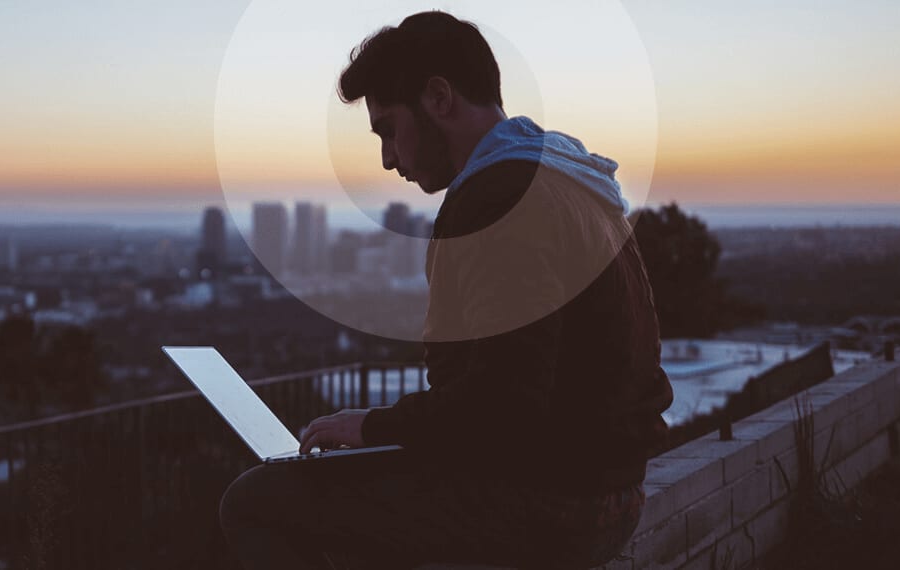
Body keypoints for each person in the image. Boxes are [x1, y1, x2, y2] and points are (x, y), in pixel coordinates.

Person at [218, 10, 675, 570]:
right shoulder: (567, 178)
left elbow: (504, 408)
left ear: (438, 98)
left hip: (553, 508)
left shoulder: (499, 196)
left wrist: (372, 426)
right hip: (607, 493)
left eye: (388, 128)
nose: (388, 158)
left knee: (256, 500)